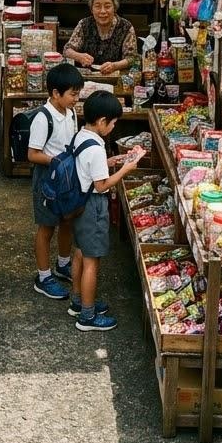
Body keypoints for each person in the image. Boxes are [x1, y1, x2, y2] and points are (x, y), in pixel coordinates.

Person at [68, 91, 145, 331]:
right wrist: (127, 169)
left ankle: (78, 301)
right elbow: (102, 185)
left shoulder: (81, 136)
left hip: (78, 204)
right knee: (92, 261)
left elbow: (88, 168)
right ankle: (88, 317)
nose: (113, 127)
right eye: (112, 123)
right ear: (102, 121)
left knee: (79, 253)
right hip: (93, 206)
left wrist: (112, 162)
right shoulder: (97, 149)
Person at [27, 62, 84, 300]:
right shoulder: (43, 118)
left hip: (67, 178)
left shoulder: (70, 113)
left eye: (77, 93)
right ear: (55, 94)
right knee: (47, 226)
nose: (76, 99)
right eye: (73, 94)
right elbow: (32, 154)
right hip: (48, 180)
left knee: (67, 221)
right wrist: (56, 161)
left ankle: (63, 264)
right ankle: (43, 276)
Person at [63, 0, 138, 75]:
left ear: (114, 8)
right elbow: (67, 50)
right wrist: (79, 57)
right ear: (92, 9)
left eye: (107, 6)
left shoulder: (125, 27)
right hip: (86, 79)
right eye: (97, 6)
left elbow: (132, 58)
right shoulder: (84, 24)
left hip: (115, 78)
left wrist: (114, 66)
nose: (102, 11)